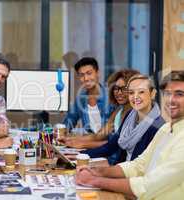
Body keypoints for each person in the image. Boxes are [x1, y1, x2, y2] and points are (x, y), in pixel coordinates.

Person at [75, 71, 184, 199]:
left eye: (179, 94)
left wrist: (94, 180)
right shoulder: (166, 128)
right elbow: (138, 165)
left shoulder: (159, 126)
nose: (171, 100)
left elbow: (146, 185)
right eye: (167, 94)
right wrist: (96, 171)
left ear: (152, 94)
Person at [82, 74, 165, 164]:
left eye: (141, 92)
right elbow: (110, 147)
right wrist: (79, 155)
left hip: (132, 175)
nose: (135, 97)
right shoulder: (130, 116)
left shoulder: (158, 126)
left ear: (152, 94)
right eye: (131, 92)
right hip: (122, 170)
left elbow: (141, 167)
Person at [59, 69, 139, 149]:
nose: (119, 92)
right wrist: (71, 140)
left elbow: (116, 145)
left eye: (124, 89)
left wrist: (82, 144)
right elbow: (99, 136)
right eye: (116, 88)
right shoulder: (119, 110)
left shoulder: (135, 114)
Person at [63, 57, 113, 134]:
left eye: (89, 73)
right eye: (81, 75)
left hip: (108, 141)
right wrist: (61, 131)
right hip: (89, 141)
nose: (86, 78)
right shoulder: (80, 98)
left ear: (97, 73)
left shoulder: (111, 96)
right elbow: (70, 120)